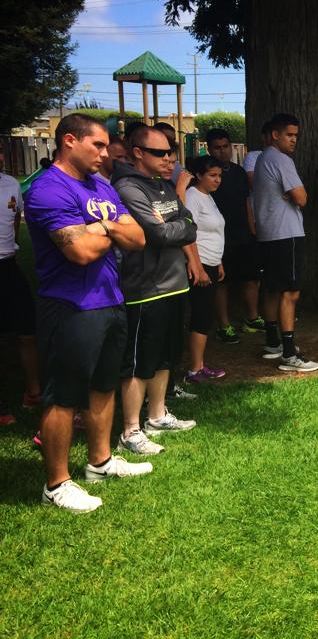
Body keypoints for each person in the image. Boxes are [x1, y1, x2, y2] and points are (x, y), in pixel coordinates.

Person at [24, 113, 151, 512]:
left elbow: (139, 237)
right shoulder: (48, 189)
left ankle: (100, 461)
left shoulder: (102, 185)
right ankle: (56, 483)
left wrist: (101, 226)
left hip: (110, 300)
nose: (105, 151)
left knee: (103, 385)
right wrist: (111, 226)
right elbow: (78, 252)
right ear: (68, 141)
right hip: (70, 306)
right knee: (63, 395)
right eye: (96, 144)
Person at [113, 124, 199, 455]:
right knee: (139, 361)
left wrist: (174, 228)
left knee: (165, 355)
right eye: (161, 153)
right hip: (145, 287)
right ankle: (130, 429)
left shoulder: (162, 187)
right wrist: (175, 229)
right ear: (138, 153)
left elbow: (189, 224)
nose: (169, 159)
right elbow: (156, 234)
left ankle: (157, 415)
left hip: (174, 284)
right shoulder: (126, 188)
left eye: (170, 152)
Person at [253, 113, 318, 371]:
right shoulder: (281, 160)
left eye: (296, 136)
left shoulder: (261, 159)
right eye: (289, 135)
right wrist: (292, 194)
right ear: (275, 135)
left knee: (272, 287)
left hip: (268, 233)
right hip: (286, 233)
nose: (294, 140)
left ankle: (273, 342)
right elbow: (302, 198)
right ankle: (290, 355)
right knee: (290, 292)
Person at [207, 129, 264, 343]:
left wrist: (252, 230)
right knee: (223, 282)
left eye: (225, 146)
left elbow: (246, 201)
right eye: (217, 147)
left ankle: (252, 318)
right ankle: (224, 325)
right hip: (219, 237)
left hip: (244, 234)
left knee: (251, 277)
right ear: (210, 149)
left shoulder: (239, 172)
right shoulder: (205, 174)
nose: (222, 151)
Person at [0, 149, 41, 423]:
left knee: (28, 332)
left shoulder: (11, 183)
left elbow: (15, 219)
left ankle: (34, 393)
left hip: (8, 265)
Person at [183, 156, 228, 382]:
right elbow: (189, 233)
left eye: (219, 176)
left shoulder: (208, 198)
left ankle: (199, 364)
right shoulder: (193, 196)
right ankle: (194, 368)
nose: (217, 180)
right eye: (212, 175)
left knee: (206, 314)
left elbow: (213, 231)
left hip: (211, 262)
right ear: (199, 175)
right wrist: (198, 267)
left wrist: (218, 261)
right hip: (199, 265)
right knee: (201, 315)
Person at [243, 121, 272, 191]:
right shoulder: (253, 156)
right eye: (272, 135)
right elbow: (255, 185)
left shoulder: (284, 158)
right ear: (263, 137)